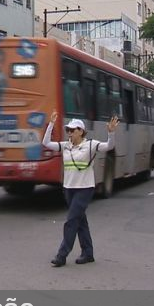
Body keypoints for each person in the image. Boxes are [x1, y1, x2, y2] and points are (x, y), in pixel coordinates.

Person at [42, 112, 119, 267]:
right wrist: (50, 125)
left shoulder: (90, 145)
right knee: (80, 221)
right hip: (68, 188)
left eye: (72, 130)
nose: (69, 133)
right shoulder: (65, 146)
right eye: (68, 130)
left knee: (71, 221)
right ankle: (88, 253)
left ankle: (62, 255)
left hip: (84, 189)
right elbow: (46, 143)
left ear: (81, 131)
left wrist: (111, 133)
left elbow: (109, 146)